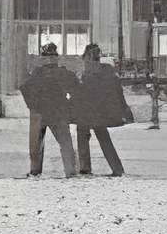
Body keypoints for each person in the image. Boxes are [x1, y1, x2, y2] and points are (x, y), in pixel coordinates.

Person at [72, 44, 132, 176]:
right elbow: (116, 91)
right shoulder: (107, 71)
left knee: (83, 137)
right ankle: (117, 168)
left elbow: (80, 91)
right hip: (99, 112)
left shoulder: (87, 72)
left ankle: (85, 168)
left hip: (85, 111)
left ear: (87, 56)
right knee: (104, 139)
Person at [19, 45, 78, 179]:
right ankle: (70, 171)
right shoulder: (61, 73)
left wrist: (33, 106)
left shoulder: (38, 74)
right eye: (50, 57)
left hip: (41, 112)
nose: (50, 59)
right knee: (64, 142)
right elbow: (76, 89)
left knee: (37, 144)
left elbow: (24, 88)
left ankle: (35, 171)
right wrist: (68, 105)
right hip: (57, 111)